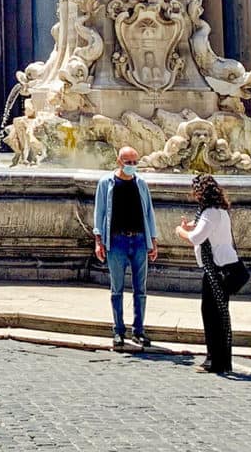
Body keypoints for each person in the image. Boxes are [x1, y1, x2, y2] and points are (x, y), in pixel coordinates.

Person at [92, 146, 158, 351]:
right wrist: (98, 240)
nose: (132, 166)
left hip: (139, 240)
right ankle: (118, 331)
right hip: (116, 242)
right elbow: (100, 212)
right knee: (117, 289)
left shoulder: (141, 184)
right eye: (128, 162)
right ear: (119, 161)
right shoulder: (106, 182)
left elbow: (149, 212)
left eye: (135, 162)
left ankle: (138, 331)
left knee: (141, 290)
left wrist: (153, 241)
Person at [179, 173, 244, 376]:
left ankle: (217, 361)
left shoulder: (210, 212)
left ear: (201, 193)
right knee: (216, 313)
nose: (194, 194)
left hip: (217, 270)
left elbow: (197, 238)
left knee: (214, 314)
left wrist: (181, 232)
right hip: (222, 267)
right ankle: (217, 358)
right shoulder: (218, 210)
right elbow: (205, 229)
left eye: (195, 191)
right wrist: (192, 225)